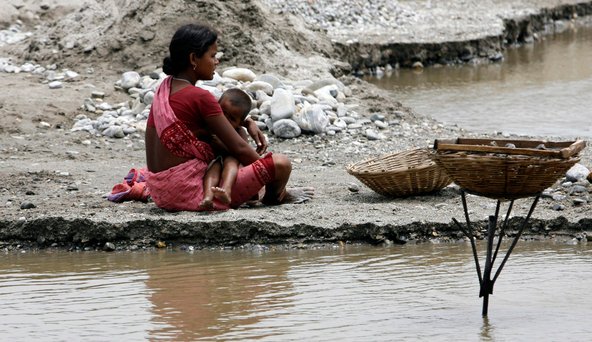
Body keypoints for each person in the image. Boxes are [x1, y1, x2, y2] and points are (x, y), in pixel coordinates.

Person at [144, 23, 313, 211]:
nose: (216, 61)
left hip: (161, 193)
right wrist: (271, 175)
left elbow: (212, 120)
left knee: (228, 144)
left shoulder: (165, 90)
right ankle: (276, 196)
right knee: (281, 164)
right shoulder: (199, 97)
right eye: (212, 56)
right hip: (189, 193)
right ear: (193, 59)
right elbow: (240, 148)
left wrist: (247, 121)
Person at [200, 88, 256, 209]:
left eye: (231, 118)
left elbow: (241, 153)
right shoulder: (211, 125)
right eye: (222, 112)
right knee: (214, 168)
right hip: (214, 163)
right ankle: (208, 198)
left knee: (231, 161)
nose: (225, 119)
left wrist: (222, 146)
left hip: (232, 166)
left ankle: (226, 189)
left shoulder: (239, 132)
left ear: (240, 123)